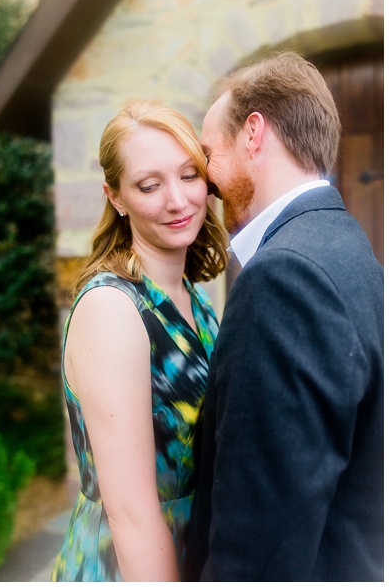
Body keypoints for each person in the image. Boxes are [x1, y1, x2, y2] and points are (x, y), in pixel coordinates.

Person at [185, 52, 384, 581]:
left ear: (254, 133)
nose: (204, 180)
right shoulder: (352, 249)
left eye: (209, 153)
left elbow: (260, 543)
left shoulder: (283, 278)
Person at [51, 101, 228, 581]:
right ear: (117, 197)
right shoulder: (112, 308)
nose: (178, 200)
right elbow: (129, 514)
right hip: (132, 565)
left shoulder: (196, 295)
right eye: (149, 185)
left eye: (190, 175)